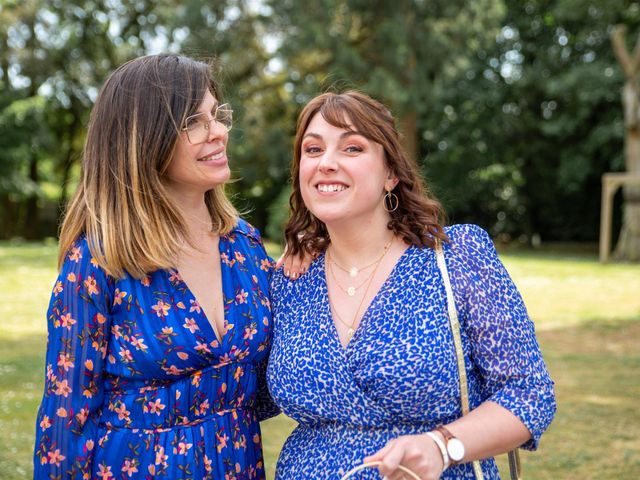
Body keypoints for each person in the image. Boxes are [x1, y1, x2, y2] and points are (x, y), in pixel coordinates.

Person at [267, 91, 556, 479]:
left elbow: (529, 394)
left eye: (352, 148)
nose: (327, 163)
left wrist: (442, 445)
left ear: (391, 173)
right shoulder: (288, 282)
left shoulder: (456, 257)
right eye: (313, 149)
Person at [33, 54, 280, 479]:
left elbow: (280, 378)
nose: (219, 132)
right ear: (144, 138)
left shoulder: (246, 248)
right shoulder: (98, 262)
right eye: (194, 122)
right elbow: (64, 425)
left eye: (217, 115)